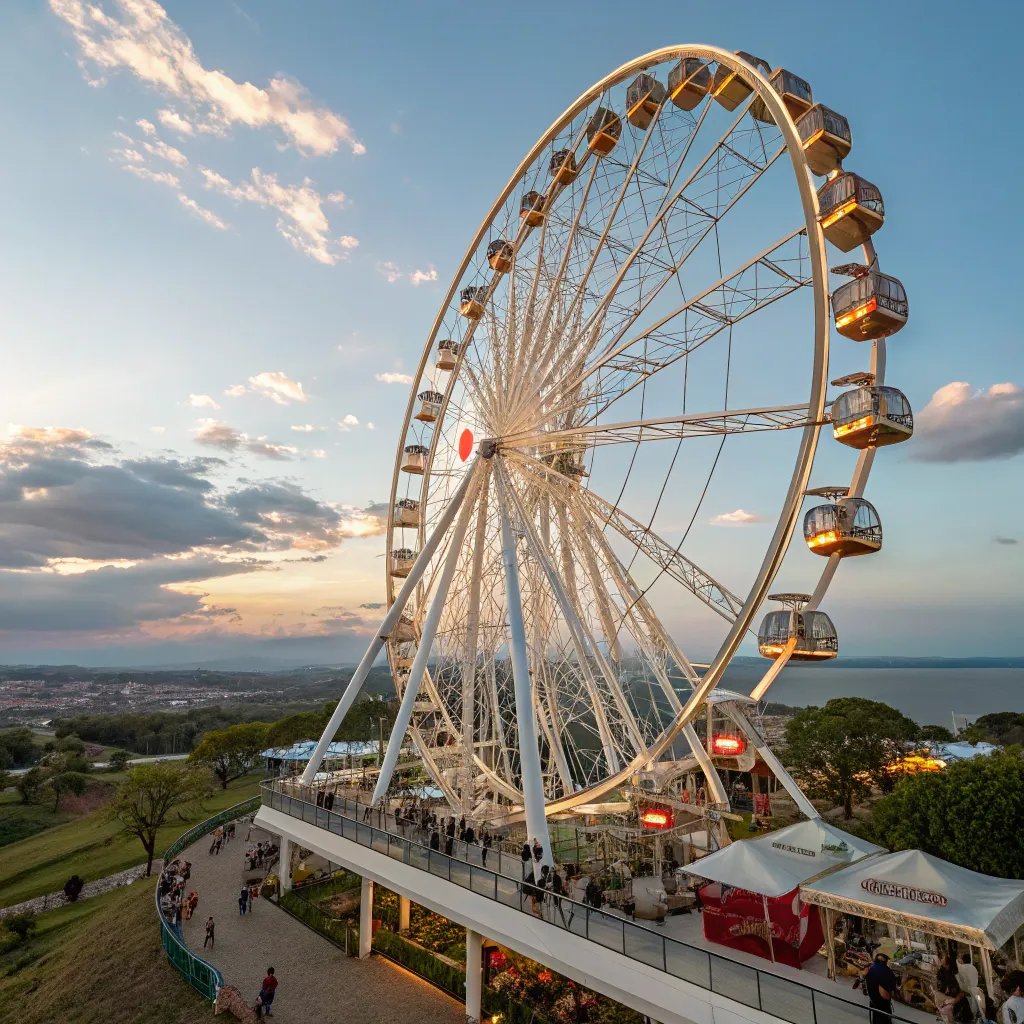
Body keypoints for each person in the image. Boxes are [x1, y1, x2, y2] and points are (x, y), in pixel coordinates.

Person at [864, 952, 899, 1024]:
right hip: (883, 1003)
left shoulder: (872, 969)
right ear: (884, 961)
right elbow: (892, 985)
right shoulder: (886, 970)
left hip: (873, 1002)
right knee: (884, 1020)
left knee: (876, 1020)